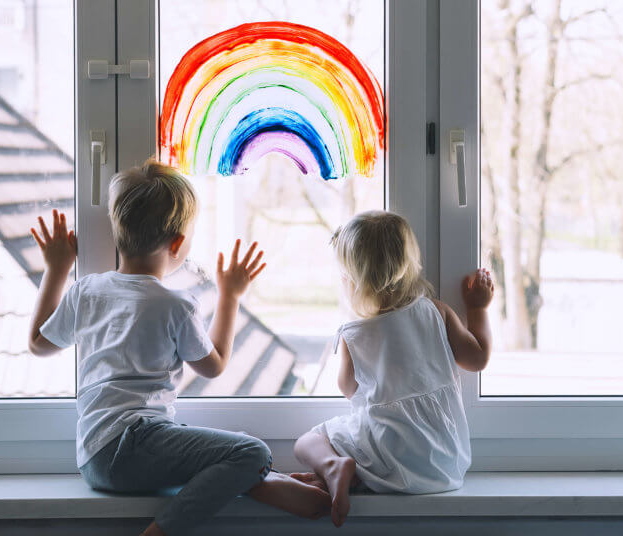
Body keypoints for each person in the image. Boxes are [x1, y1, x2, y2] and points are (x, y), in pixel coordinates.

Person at [27, 160, 330, 536]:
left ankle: (264, 484)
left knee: (229, 461)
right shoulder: (175, 304)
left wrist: (57, 268)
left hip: (93, 458)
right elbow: (214, 365)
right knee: (253, 452)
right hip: (135, 444)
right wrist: (230, 296)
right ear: (177, 243)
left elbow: (38, 343)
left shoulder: (87, 290)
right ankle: (162, 531)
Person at [291, 210, 494, 527]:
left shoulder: (354, 334)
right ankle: (350, 474)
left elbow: (348, 389)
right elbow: (477, 358)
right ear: (410, 263)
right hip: (446, 465)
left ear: (351, 280)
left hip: (389, 457)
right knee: (372, 439)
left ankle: (333, 467)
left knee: (307, 441)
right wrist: (477, 308)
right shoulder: (435, 312)